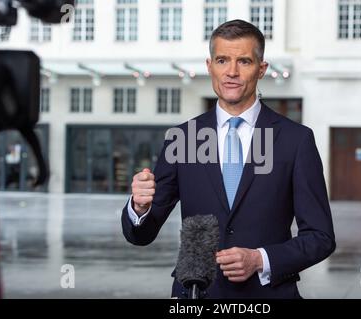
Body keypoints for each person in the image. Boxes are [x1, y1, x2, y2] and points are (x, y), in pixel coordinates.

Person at [121, 19, 335, 299]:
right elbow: (141, 235)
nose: (231, 72)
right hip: (196, 295)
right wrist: (139, 207)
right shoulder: (183, 138)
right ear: (210, 66)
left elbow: (321, 238)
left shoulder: (296, 141)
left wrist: (260, 259)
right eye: (222, 60)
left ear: (261, 69)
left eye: (244, 61)